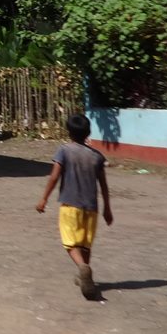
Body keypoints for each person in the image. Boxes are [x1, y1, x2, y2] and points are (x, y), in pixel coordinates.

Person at [35, 114, 114, 298]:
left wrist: (44, 199)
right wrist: (107, 209)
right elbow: (103, 185)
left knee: (70, 244)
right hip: (91, 208)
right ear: (88, 133)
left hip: (70, 206)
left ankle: (82, 267)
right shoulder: (97, 156)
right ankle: (84, 277)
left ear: (69, 132)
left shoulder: (64, 151)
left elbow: (54, 176)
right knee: (85, 244)